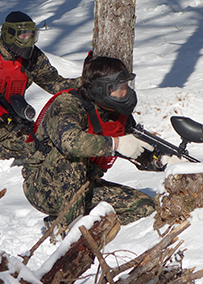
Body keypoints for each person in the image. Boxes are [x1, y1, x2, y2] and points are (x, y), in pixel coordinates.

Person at [22, 54, 175, 231]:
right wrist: (116, 144)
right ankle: (68, 229)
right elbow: (69, 143)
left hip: (86, 184)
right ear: (100, 89)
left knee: (145, 208)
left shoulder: (117, 112)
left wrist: (161, 161)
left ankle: (81, 225)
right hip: (43, 188)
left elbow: (135, 149)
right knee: (72, 156)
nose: (125, 92)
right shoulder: (67, 104)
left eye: (126, 85)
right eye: (118, 87)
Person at [0, 11, 80, 182]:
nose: (28, 39)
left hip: (9, 118)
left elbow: (55, 83)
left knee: (37, 142)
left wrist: (87, 83)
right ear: (10, 34)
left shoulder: (33, 58)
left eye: (31, 35)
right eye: (23, 35)